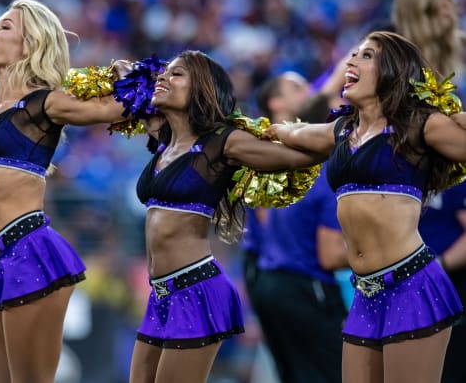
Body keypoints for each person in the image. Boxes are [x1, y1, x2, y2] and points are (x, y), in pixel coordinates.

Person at [0, 0, 128, 383]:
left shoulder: (46, 104)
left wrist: (125, 75)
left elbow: (113, 109)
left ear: (32, 43)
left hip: (31, 252)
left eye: (5, 27)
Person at [266, 30, 466, 382]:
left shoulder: (420, 124)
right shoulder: (342, 131)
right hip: (365, 292)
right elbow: (294, 133)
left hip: (412, 284)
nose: (352, 60)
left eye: (367, 55)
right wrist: (261, 131)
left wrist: (458, 117)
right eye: (353, 54)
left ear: (393, 71)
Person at [130, 50, 325, 383]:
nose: (163, 77)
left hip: (195, 289)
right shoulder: (163, 140)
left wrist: (337, 131)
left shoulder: (224, 143)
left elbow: (296, 158)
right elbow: (125, 85)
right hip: (160, 293)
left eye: (177, 74)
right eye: (164, 73)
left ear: (202, 89)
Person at [243, 72, 349, 383]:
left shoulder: (287, 164)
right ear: (276, 103)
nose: (310, 91)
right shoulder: (307, 166)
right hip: (297, 280)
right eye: (296, 87)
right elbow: (329, 255)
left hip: (273, 276)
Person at [418, 182, 466, 383]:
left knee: (449, 362)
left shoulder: (455, 178)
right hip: (411, 284)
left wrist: (436, 266)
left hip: (450, 281)